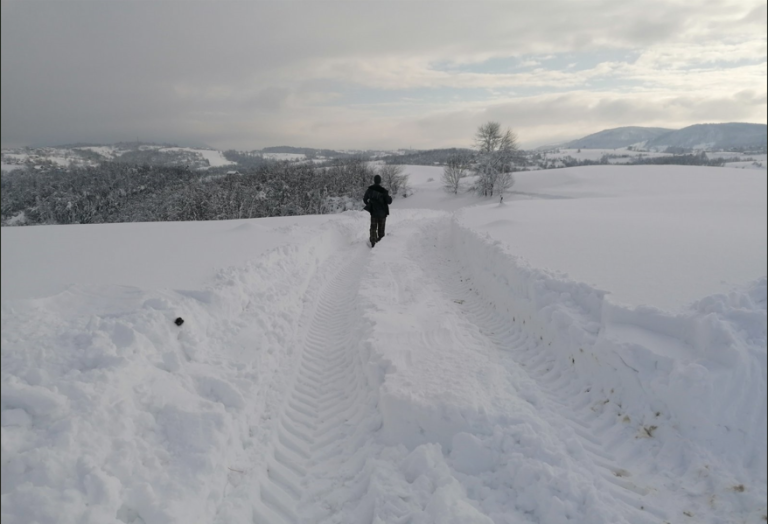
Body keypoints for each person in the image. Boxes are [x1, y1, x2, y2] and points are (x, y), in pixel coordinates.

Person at [363, 174, 393, 247]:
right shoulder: (384, 191)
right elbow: (389, 201)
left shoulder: (369, 190)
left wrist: (369, 204)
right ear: (380, 181)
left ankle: (373, 241)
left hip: (373, 212)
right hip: (382, 213)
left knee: (373, 227)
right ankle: (380, 242)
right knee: (381, 228)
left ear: (374, 180)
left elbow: (364, 199)